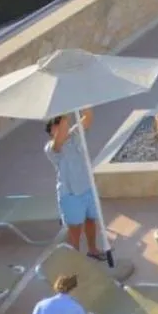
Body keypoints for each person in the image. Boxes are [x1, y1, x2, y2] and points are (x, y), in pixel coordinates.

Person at [45, 110, 102, 259]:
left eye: (60, 121)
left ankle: (93, 250)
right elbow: (62, 135)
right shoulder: (51, 147)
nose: (60, 125)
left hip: (88, 188)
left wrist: (80, 102)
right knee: (75, 229)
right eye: (55, 123)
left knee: (91, 220)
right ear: (51, 131)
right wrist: (64, 110)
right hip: (70, 195)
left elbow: (88, 117)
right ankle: (75, 260)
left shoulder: (76, 134)